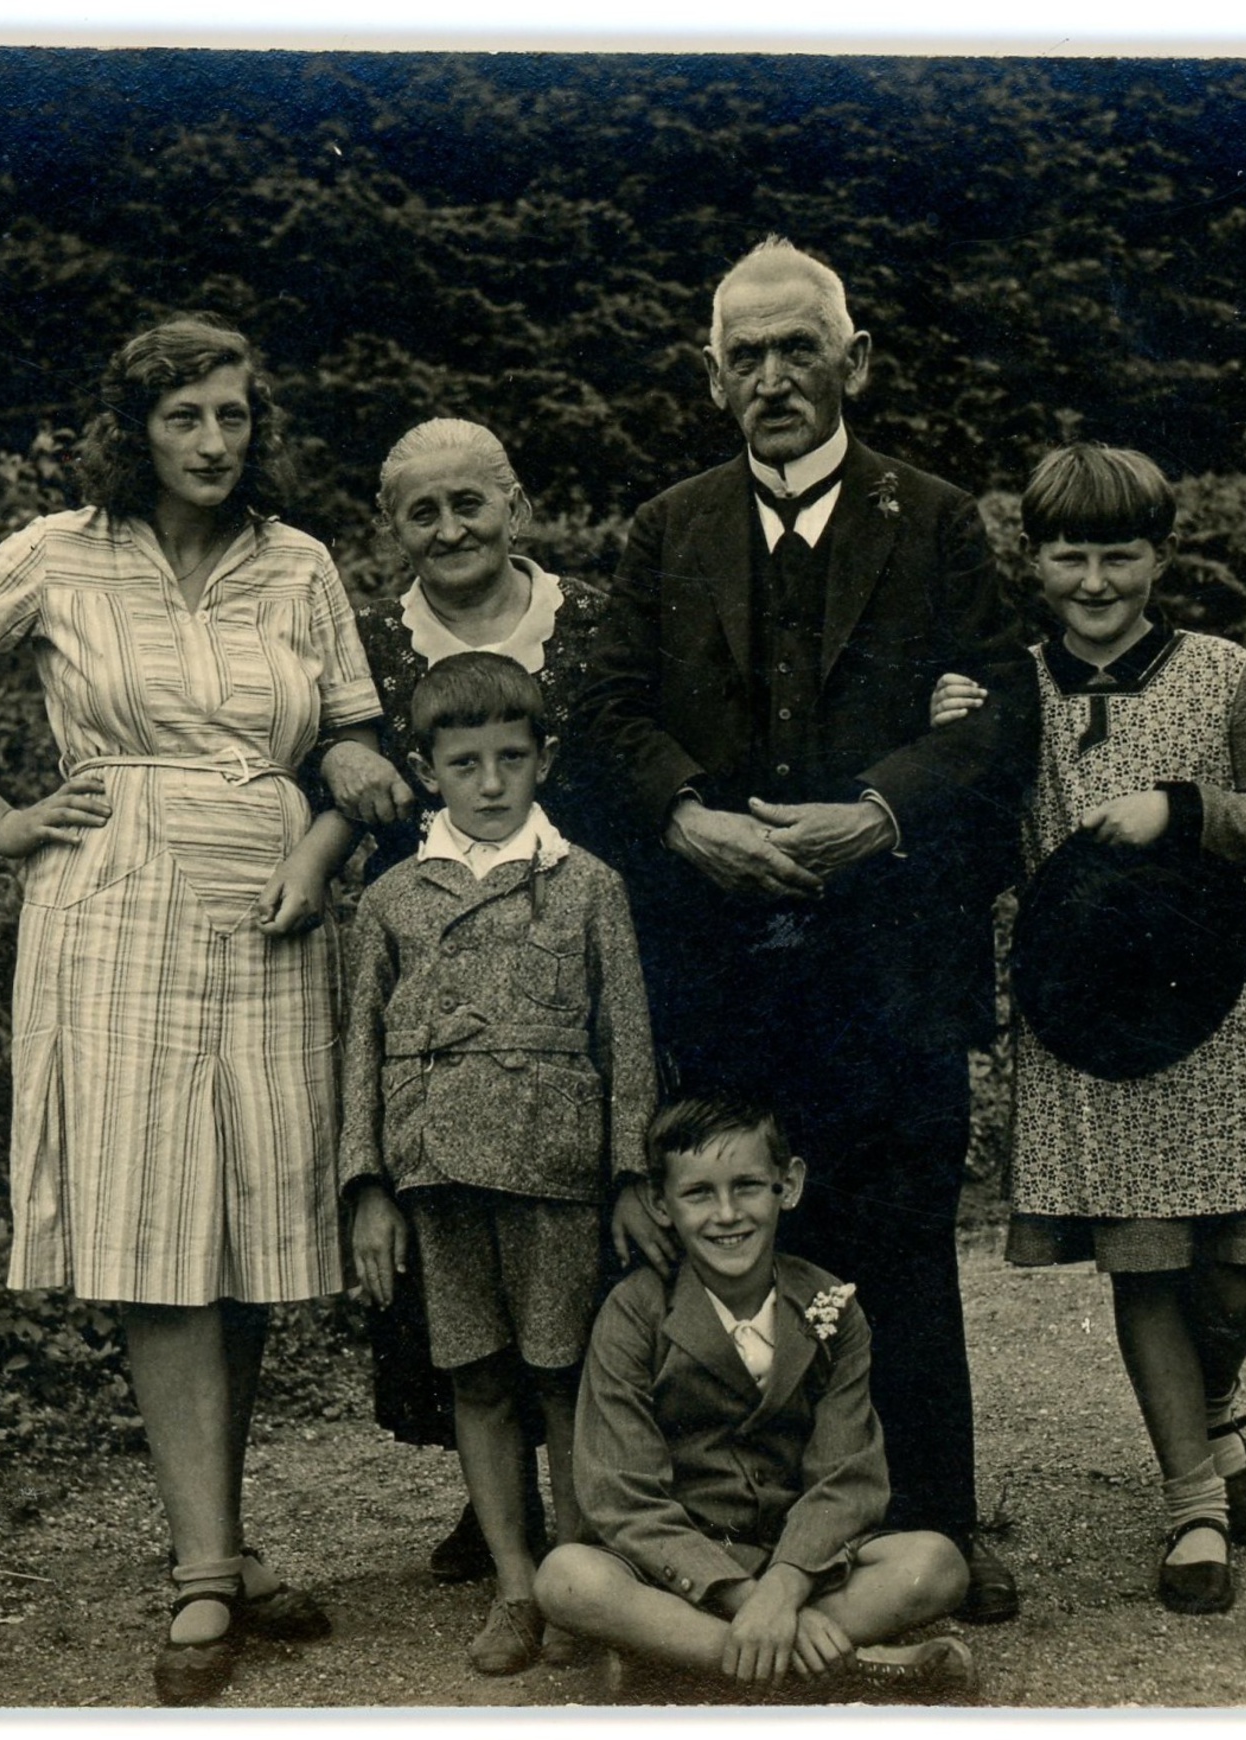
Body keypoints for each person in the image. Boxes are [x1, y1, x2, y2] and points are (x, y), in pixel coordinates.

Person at [0, 313, 378, 1704]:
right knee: (156, 1226)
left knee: (250, 1227)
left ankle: (223, 1544)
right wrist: (0, 823)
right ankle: (204, 1569)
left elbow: (353, 739)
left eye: (234, 415)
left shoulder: (301, 564)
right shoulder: (57, 552)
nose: (214, 442)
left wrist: (324, 854)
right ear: (135, 429)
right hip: (116, 905)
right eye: (184, 417)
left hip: (272, 909)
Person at [577, 236, 1027, 1624]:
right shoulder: (668, 530)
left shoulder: (935, 522)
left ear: (854, 364)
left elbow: (1002, 718)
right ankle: (750, 1536)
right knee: (739, 1249)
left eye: (798, 350)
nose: (772, 378)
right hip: (721, 973)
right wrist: (687, 822)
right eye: (746, 357)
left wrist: (881, 814)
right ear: (713, 379)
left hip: (888, 971)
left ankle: (935, 1523)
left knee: (900, 1248)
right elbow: (605, 718)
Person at [927, 442, 1246, 1615]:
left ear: (1160, 557)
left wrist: (1184, 809)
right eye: (1070, 556)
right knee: (1147, 1261)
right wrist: (952, 737)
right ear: (1035, 561)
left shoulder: (1222, 674)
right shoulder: (1011, 689)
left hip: (1229, 1013)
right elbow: (968, 851)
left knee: (1235, 1277)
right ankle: (1192, 1503)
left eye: (1120, 555)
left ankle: (1217, 1404)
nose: (1096, 582)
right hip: (1090, 1026)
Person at [319, 418, 626, 1586]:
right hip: (438, 949)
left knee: (570, 1285)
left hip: (568, 941)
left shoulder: (593, 620)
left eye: (471, 503)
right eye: (422, 512)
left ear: (515, 505)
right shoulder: (365, 640)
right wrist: (337, 764)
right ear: (392, 528)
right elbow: (320, 740)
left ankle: (600, 1512)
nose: (451, 530)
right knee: (462, 1294)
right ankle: (498, 1512)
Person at [339, 652, 658, 1675]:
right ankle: (516, 1587)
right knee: (476, 1377)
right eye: (465, 764)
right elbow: (360, 1050)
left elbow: (627, 1042)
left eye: (510, 759)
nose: (489, 783)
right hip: (436, 1171)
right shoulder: (393, 897)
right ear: (426, 771)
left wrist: (629, 1176)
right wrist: (369, 1186)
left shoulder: (588, 884)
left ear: (542, 760)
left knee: (563, 1378)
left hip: (555, 1169)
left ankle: (579, 1581)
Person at [535, 1096, 976, 1702]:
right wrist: (750, 1599)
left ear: (786, 1185)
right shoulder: (635, 1312)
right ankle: (839, 1663)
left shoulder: (830, 1305)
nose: (726, 1214)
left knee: (937, 1564)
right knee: (566, 1579)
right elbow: (623, 1495)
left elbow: (847, 1477)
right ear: (661, 1204)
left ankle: (683, 1661)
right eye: (698, 1194)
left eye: (746, 1186)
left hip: (794, 1557)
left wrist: (784, 1587)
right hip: (675, 1566)